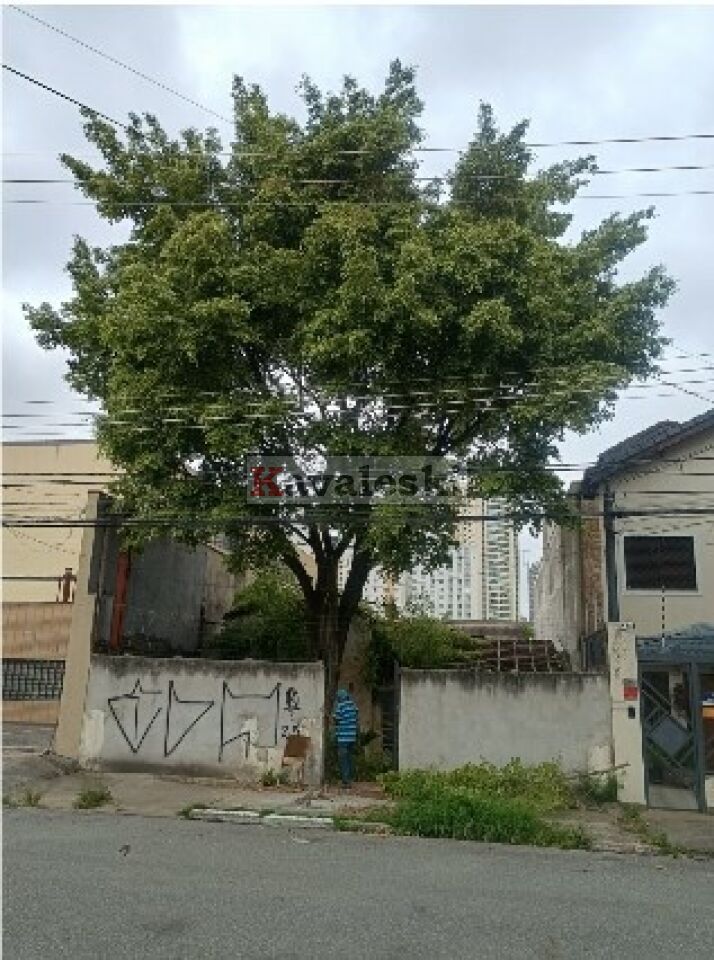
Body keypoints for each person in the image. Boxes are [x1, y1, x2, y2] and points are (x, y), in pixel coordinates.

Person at [333, 688, 359, 788]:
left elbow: (336, 718)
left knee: (343, 759)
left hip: (343, 737)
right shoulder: (353, 705)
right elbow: (356, 715)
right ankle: (351, 779)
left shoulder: (341, 706)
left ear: (340, 697)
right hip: (352, 737)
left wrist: (337, 725)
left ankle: (346, 781)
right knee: (350, 758)